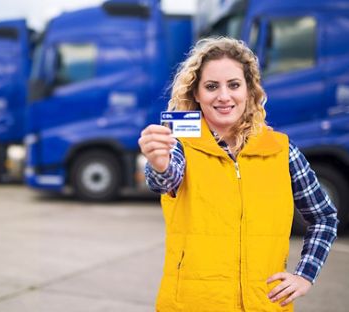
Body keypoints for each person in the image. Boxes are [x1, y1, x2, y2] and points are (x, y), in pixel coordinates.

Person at [138, 37, 338, 311]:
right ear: (196, 93)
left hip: (264, 304)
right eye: (211, 86)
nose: (223, 96)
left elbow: (324, 217)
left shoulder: (281, 150)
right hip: (191, 304)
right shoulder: (180, 145)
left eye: (234, 85)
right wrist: (158, 163)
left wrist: (305, 275)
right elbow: (166, 179)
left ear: (249, 90)